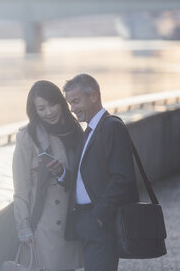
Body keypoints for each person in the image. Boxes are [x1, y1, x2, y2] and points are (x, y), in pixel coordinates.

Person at [61, 74, 139, 271]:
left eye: (76, 101)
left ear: (94, 97)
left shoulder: (111, 126)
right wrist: (61, 173)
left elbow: (123, 177)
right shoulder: (89, 131)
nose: (72, 108)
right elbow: (86, 178)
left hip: (99, 221)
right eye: (70, 103)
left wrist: (100, 215)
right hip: (86, 220)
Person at [12, 80, 84, 271]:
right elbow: (20, 189)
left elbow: (83, 179)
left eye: (52, 105)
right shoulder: (27, 137)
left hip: (73, 220)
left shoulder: (75, 131)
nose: (49, 112)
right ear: (34, 111)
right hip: (43, 224)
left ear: (61, 103)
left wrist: (61, 172)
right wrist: (24, 229)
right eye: (41, 108)